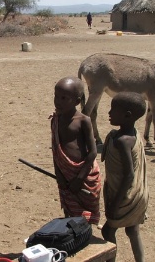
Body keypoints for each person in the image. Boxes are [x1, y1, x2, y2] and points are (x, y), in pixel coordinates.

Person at [100, 92, 149, 262]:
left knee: (107, 231)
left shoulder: (122, 141)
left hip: (124, 196)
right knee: (132, 230)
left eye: (113, 110)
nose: (109, 112)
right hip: (138, 194)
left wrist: (115, 203)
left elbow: (128, 175)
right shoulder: (134, 134)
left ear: (127, 115)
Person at [50, 76, 101, 225]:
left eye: (64, 98)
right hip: (65, 175)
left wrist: (79, 178)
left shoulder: (83, 120)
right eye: (56, 96)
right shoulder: (56, 120)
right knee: (70, 212)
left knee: (87, 215)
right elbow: (56, 150)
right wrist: (59, 174)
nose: (58, 101)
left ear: (77, 101)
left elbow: (92, 152)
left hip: (84, 176)